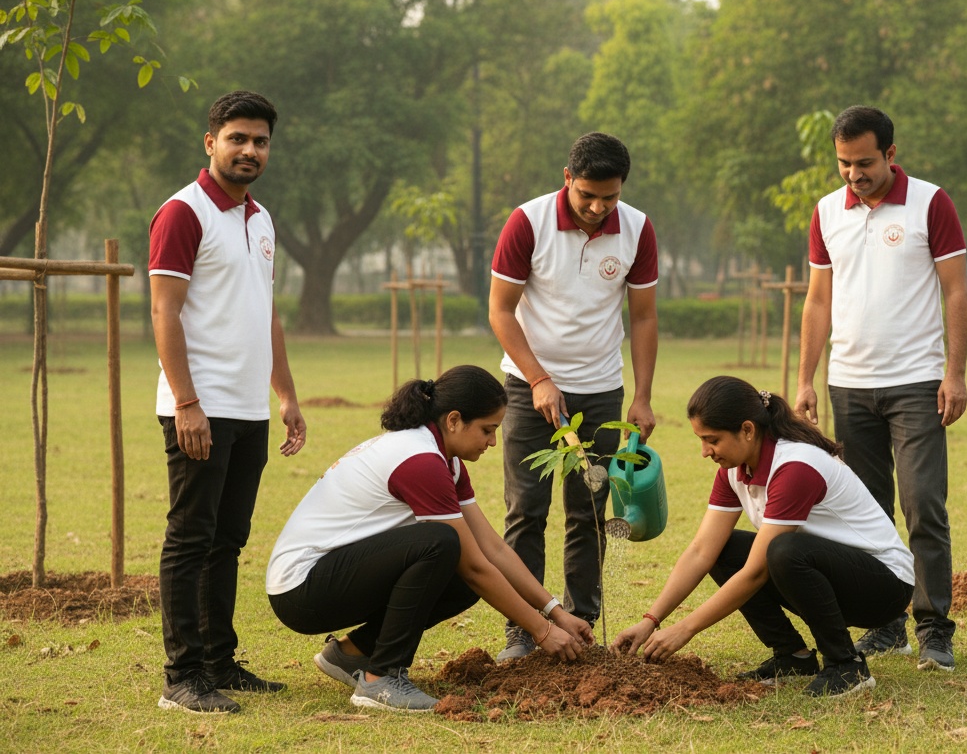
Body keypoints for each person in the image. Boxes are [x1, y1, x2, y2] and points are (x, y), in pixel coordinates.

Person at [266, 367, 595, 713]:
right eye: (487, 430)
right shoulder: (421, 460)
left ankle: (353, 653)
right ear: (453, 420)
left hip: (329, 576)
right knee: (442, 543)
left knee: (463, 560)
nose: (492, 442)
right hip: (301, 589)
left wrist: (555, 612)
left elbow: (492, 549)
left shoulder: (445, 461)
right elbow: (473, 566)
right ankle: (381, 680)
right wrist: (541, 632)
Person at [794, 105, 967, 671]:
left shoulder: (930, 202)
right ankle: (885, 623)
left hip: (917, 382)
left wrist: (956, 372)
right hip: (848, 385)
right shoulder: (826, 211)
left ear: (891, 154)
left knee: (923, 504)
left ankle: (935, 625)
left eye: (864, 162)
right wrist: (805, 379)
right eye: (844, 164)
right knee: (864, 512)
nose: (853, 174)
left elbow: (957, 293)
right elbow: (818, 300)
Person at [149, 90, 306, 715]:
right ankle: (182, 677)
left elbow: (263, 313)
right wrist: (187, 402)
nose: (249, 150)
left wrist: (286, 394)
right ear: (209, 141)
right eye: (237, 138)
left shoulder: (260, 218)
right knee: (191, 539)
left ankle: (218, 661)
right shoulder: (182, 213)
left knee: (227, 540)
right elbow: (165, 311)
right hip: (199, 406)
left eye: (260, 141)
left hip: (249, 409)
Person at [612, 376, 915, 698]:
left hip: (883, 587)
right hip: (830, 577)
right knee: (726, 549)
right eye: (701, 440)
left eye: (711, 440)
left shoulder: (796, 467)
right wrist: (651, 620)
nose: (704, 452)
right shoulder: (734, 470)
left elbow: (756, 571)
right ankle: (792, 656)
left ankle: (846, 665)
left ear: (747, 429)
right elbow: (702, 551)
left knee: (784, 550)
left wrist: (684, 629)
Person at [488, 132, 658, 660]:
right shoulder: (528, 221)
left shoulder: (637, 228)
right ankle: (524, 632)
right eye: (587, 194)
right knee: (526, 512)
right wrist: (538, 378)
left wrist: (643, 396)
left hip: (603, 393)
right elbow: (500, 310)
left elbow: (645, 315)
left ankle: (582, 624)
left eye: (609, 196)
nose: (597, 206)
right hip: (527, 389)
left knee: (590, 507)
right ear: (567, 179)